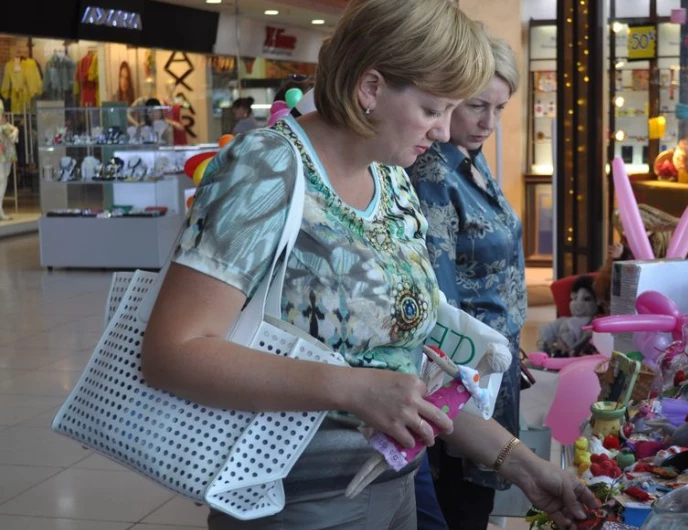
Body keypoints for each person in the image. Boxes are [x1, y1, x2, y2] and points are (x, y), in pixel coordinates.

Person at [140, 1, 597, 529]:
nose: (446, 132)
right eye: (432, 109)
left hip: (392, 486)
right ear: (371, 88)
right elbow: (172, 352)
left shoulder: (393, 178)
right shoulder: (266, 167)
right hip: (292, 500)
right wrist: (351, 388)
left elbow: (404, 366)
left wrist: (520, 464)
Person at [406, 34, 527, 530]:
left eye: (499, 108)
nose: (488, 123)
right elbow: (442, 303)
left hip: (494, 365)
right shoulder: (434, 170)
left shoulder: (469, 162)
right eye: (477, 106)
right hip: (464, 376)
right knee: (463, 508)